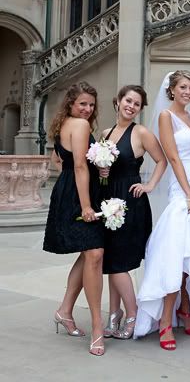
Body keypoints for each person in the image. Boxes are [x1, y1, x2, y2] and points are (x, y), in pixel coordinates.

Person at [135, 70, 190, 350]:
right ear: (171, 90)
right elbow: (172, 156)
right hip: (184, 190)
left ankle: (185, 311)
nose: (187, 91)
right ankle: (164, 321)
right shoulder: (165, 117)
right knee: (176, 252)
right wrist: (188, 195)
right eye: (182, 87)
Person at [100, 85, 167, 340]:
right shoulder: (106, 133)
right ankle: (114, 315)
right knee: (110, 261)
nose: (131, 106)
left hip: (130, 203)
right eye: (128, 100)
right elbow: (102, 166)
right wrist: (102, 172)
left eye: (137, 104)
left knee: (118, 262)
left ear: (140, 109)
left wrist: (149, 185)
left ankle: (133, 315)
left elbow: (162, 160)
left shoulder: (141, 133)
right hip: (107, 200)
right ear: (118, 101)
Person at [43, 82, 105, 356]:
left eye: (91, 105)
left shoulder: (63, 124)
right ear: (71, 103)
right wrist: (86, 205)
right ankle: (97, 327)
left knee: (89, 254)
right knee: (94, 253)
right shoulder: (80, 126)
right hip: (78, 196)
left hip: (67, 190)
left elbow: (59, 160)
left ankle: (65, 311)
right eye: (82, 104)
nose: (87, 109)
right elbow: (79, 165)